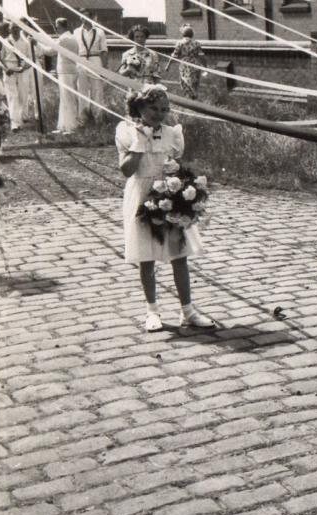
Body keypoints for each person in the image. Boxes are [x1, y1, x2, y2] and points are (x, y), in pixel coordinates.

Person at [115, 84, 215, 331]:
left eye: (164, 109)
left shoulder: (172, 133)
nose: (159, 114)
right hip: (141, 194)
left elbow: (176, 165)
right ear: (139, 107)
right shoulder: (126, 131)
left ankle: (188, 310)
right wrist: (140, 141)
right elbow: (127, 170)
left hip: (168, 193)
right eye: (153, 108)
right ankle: (152, 311)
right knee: (146, 256)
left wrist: (180, 185)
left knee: (179, 254)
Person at [38, 18, 79, 134]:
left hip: (66, 72)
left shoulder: (63, 39)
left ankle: (71, 127)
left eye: (57, 26)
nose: (56, 28)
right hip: (72, 70)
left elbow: (50, 51)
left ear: (60, 26)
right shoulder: (73, 38)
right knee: (66, 99)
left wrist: (37, 43)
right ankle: (63, 126)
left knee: (68, 99)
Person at [0, 23, 35, 132]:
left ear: (20, 29)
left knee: (23, 95)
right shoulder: (5, 41)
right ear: (9, 29)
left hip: (22, 70)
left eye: (17, 28)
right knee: (12, 96)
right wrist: (6, 69)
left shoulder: (25, 43)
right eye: (12, 28)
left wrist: (24, 67)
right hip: (9, 69)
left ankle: (22, 118)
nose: (15, 30)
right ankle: (14, 123)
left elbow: (30, 59)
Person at [74, 10, 109, 122]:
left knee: (97, 90)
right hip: (81, 60)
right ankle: (83, 118)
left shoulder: (100, 32)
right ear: (80, 18)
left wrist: (104, 68)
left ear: (92, 17)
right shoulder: (76, 32)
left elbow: (104, 51)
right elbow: (74, 49)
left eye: (87, 16)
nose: (84, 19)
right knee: (82, 89)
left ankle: (98, 117)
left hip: (95, 60)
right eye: (82, 17)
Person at [163, 24, 207, 99]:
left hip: (184, 66)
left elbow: (174, 55)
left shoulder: (180, 43)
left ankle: (188, 99)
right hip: (195, 65)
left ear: (183, 34)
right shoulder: (196, 43)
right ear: (192, 34)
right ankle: (194, 99)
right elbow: (201, 56)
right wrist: (205, 66)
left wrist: (168, 65)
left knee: (185, 83)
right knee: (194, 83)